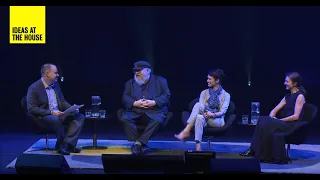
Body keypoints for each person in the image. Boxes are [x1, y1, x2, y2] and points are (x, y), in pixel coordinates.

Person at [239, 72, 306, 164]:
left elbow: (295, 116)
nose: (284, 83)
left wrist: (278, 120)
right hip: (284, 123)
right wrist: (271, 118)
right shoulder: (287, 97)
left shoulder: (300, 96)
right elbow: (274, 110)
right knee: (262, 120)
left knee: (264, 120)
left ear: (295, 83)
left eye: (287, 81)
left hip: (292, 125)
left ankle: (254, 150)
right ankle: (259, 152)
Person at [26, 63, 85, 155]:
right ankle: (62, 145)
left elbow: (62, 102)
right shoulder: (34, 88)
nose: (58, 75)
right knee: (56, 119)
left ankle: (68, 145)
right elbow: (31, 108)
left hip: (59, 113)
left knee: (79, 117)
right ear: (47, 74)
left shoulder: (56, 85)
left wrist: (71, 108)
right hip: (44, 115)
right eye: (56, 73)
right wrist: (51, 112)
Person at [120, 60, 171, 155]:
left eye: (139, 70)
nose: (137, 72)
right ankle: (140, 143)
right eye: (135, 70)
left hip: (154, 111)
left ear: (148, 70)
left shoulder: (160, 80)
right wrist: (135, 103)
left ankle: (138, 143)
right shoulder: (130, 83)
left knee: (158, 120)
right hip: (136, 111)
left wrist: (154, 102)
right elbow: (125, 97)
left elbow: (166, 95)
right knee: (125, 118)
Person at [175, 69, 230, 151]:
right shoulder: (204, 92)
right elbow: (201, 108)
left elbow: (223, 112)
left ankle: (186, 131)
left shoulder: (226, 95)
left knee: (199, 114)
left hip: (216, 120)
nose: (207, 81)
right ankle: (198, 147)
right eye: (207, 78)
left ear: (217, 80)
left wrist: (213, 114)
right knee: (199, 114)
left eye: (209, 79)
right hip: (204, 117)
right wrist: (207, 113)